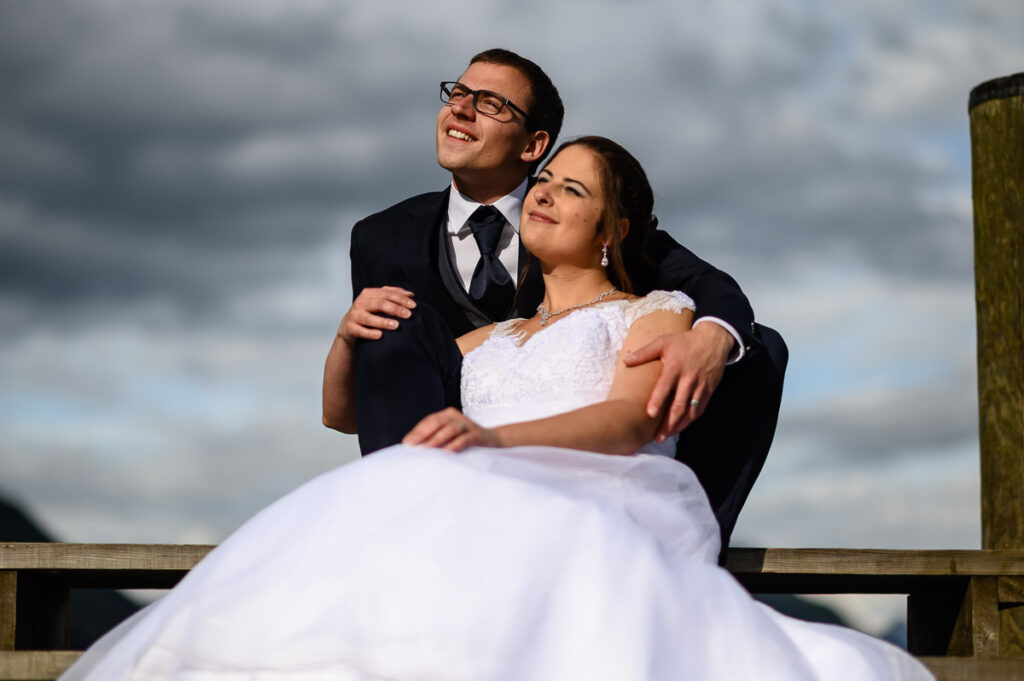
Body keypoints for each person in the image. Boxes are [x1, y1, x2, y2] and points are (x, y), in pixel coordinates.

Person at [61, 137, 931, 681]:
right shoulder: (489, 336)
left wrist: (488, 439)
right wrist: (343, 337)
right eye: (544, 181)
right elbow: (338, 414)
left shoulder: (650, 311)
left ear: (611, 232)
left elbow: (634, 421)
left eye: (574, 190)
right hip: (473, 494)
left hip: (594, 504)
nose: (545, 193)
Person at [322, 48, 787, 550]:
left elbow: (711, 289)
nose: (460, 108)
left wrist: (713, 339)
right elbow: (357, 407)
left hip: (589, 507)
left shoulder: (637, 281)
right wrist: (348, 337)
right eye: (456, 93)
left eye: (489, 103)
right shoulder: (381, 239)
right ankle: (402, 536)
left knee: (761, 349)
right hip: (448, 501)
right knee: (398, 325)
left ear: (533, 143)